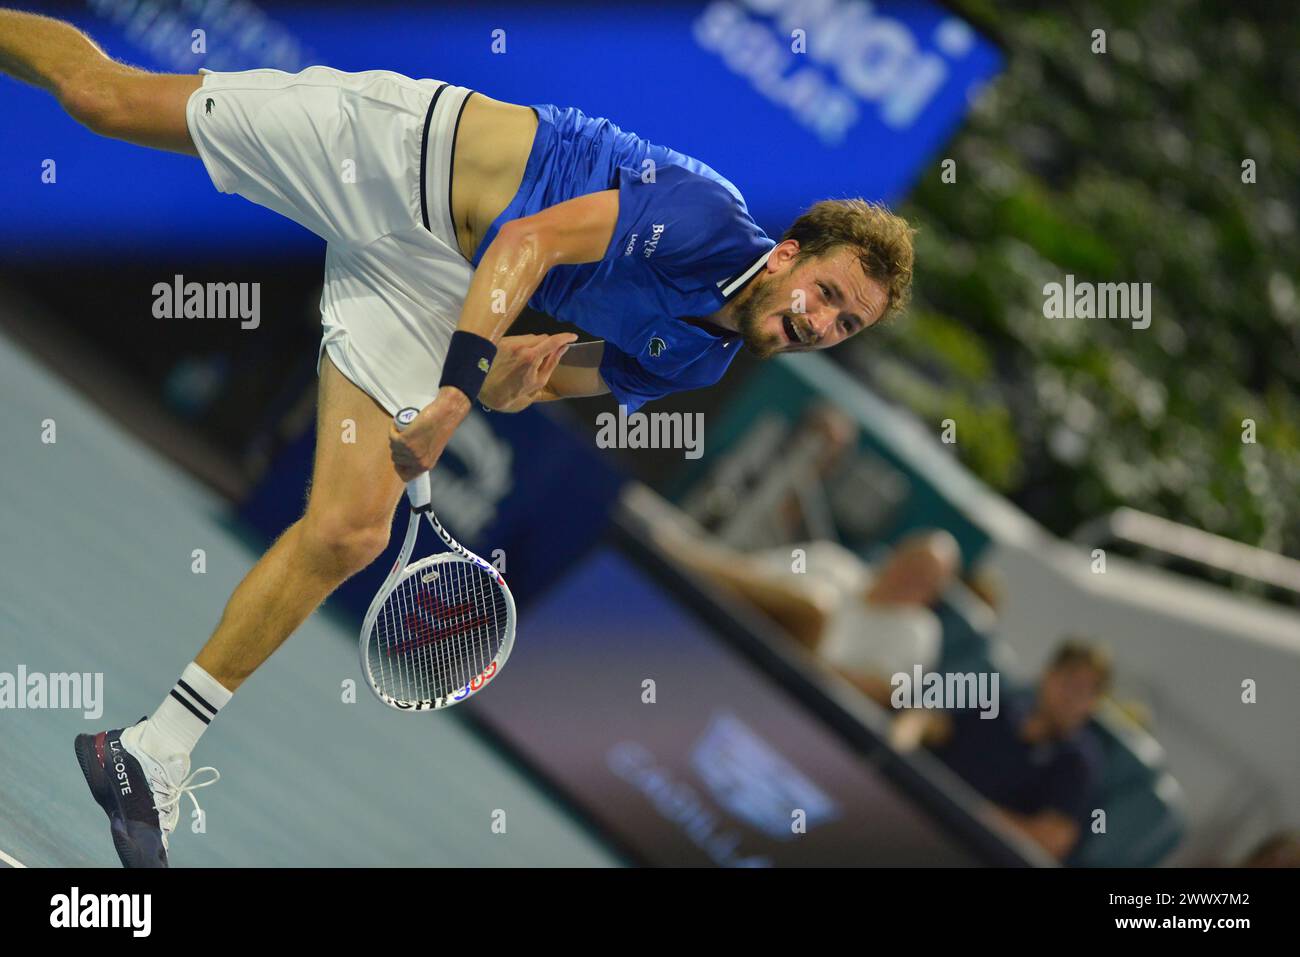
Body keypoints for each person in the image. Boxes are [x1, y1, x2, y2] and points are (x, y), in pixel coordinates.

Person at [0, 11, 916, 866]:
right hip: (394, 152)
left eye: (848, 326)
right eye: (829, 294)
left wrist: (514, 383)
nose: (824, 322)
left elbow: (547, 375)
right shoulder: (703, 217)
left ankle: (150, 749)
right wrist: (460, 385)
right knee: (104, 100)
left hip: (433, 279)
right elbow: (525, 243)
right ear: (792, 254)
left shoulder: (697, 364)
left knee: (351, 532)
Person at [653, 522, 959, 706]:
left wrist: (804, 659)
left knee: (813, 609)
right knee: (798, 599)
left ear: (932, 595)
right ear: (897, 554)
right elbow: (750, 574)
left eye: (924, 579)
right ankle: (684, 560)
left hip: (802, 685)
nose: (909, 579)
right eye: (912, 565)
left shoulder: (920, 632)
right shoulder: (833, 561)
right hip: (741, 626)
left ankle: (683, 557)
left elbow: (881, 691)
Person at [904, 639, 1110, 862]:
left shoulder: (1078, 762)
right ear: (1047, 675)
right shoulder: (1002, 709)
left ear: (1094, 703)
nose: (1071, 697)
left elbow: (1052, 840)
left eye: (1085, 691)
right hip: (915, 815)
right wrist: (906, 735)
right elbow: (934, 725)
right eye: (1068, 682)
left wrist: (975, 814)